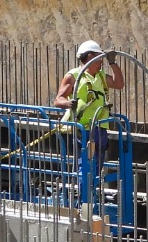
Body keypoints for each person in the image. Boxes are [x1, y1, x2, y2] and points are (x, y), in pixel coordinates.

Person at [53, 40, 126, 172]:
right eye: (99, 59)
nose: (101, 62)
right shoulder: (74, 76)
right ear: (91, 57)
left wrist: (113, 63)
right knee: (85, 166)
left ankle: (92, 191)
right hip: (83, 128)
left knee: (97, 167)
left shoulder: (101, 76)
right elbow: (58, 100)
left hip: (100, 127)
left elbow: (119, 84)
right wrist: (68, 103)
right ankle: (83, 192)